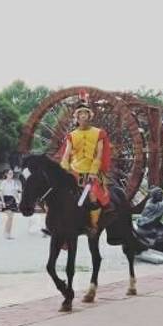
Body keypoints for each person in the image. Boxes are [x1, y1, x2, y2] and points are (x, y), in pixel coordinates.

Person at [60, 92, 112, 236]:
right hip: (75, 171)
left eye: (85, 114)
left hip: (92, 172)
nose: (83, 116)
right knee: (60, 193)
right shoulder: (71, 135)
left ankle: (93, 225)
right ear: (76, 117)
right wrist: (63, 170)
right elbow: (66, 154)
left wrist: (93, 172)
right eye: (80, 114)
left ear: (89, 116)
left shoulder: (99, 133)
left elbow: (99, 154)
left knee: (93, 195)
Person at [0, 169, 21, 239]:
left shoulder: (14, 182)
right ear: (6, 174)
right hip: (6, 199)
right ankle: (6, 232)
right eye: (10, 173)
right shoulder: (4, 182)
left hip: (12, 199)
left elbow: (15, 192)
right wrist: (3, 202)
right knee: (10, 216)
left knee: (11, 218)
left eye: (12, 173)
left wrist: (19, 200)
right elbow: (1, 193)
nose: (11, 175)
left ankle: (8, 233)